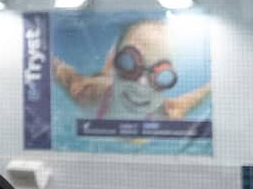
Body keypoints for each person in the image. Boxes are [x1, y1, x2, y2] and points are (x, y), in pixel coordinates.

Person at [52, 19, 213, 122]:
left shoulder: (166, 114)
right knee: (108, 73)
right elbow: (58, 69)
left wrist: (215, 85)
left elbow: (198, 96)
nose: (142, 84)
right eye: (129, 65)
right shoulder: (88, 95)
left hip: (112, 82)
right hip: (106, 85)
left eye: (162, 76)